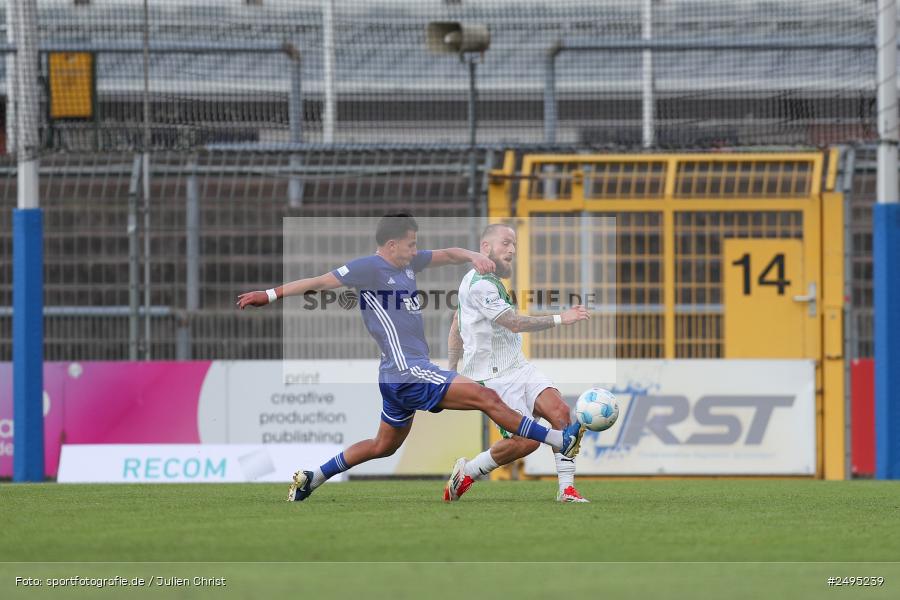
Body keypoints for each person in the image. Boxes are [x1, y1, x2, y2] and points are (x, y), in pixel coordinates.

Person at [236, 213, 585, 502]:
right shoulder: (368, 268)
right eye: (411, 244)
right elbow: (319, 282)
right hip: (409, 371)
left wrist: (470, 255)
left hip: (393, 375)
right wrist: (269, 295)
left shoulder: (407, 265)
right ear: (392, 245)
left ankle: (314, 477)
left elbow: (445, 254)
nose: (416, 250)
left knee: (382, 446)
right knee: (486, 397)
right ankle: (559, 439)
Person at [444, 223, 591, 503]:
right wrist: (562, 318)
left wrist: (451, 367)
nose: (512, 250)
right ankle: (469, 472)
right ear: (486, 248)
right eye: (506, 244)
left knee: (560, 412)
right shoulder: (481, 286)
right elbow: (513, 323)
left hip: (520, 367)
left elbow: (456, 321)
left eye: (514, 245)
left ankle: (567, 490)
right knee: (527, 442)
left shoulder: (479, 279)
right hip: (495, 377)